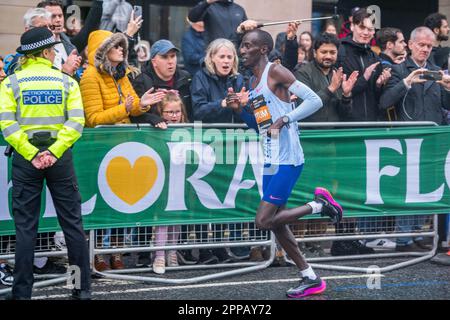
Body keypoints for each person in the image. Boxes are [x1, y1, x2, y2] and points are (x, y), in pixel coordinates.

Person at [234, 29, 343, 298]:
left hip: (288, 159)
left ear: (263, 49)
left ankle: (319, 205)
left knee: (263, 221)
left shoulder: (277, 72)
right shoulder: (253, 79)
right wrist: (238, 109)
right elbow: (260, 126)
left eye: (248, 46)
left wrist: (287, 119)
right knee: (277, 224)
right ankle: (310, 277)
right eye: (241, 46)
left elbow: (315, 100)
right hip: (270, 159)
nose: (242, 50)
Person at [0, 27, 90, 300]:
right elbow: (76, 123)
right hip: (60, 158)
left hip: (26, 161)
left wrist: (32, 153)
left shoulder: (11, 83)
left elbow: (7, 124)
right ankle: (79, 289)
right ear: (47, 52)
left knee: (26, 229)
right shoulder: (66, 82)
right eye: (53, 49)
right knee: (72, 226)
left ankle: (22, 293)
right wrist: (53, 151)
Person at [380, 27, 450, 251]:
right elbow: (385, 102)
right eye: (421, 44)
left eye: (429, 46)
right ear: (410, 45)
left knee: (430, 189)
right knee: (408, 190)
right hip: (407, 141)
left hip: (433, 140)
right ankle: (403, 239)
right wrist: (407, 81)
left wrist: (449, 89)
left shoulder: (437, 71)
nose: (425, 50)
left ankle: (417, 232)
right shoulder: (398, 70)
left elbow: (446, 106)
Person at [151, 93, 188, 274]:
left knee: (177, 217)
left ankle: (172, 252)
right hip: (162, 177)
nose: (174, 116)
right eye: (169, 112)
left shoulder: (186, 129)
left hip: (180, 177)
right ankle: (159, 255)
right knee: (163, 219)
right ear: (161, 112)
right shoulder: (157, 130)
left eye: (177, 112)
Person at [337, 8, 391, 121]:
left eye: (370, 29)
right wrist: (365, 78)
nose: (366, 33)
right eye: (362, 27)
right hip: (347, 124)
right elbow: (338, 92)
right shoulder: (339, 51)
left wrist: (379, 84)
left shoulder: (374, 57)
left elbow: (377, 98)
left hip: (371, 124)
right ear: (352, 26)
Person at [131, 39, 193, 121]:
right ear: (154, 62)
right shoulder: (142, 81)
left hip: (183, 131)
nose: (170, 61)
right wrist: (151, 119)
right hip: (153, 132)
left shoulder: (185, 77)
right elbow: (133, 114)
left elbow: (192, 110)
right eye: (164, 57)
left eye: (173, 56)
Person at [191, 38, 245, 123]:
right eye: (222, 57)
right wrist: (222, 104)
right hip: (209, 134)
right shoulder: (200, 77)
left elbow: (245, 119)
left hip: (234, 133)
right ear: (212, 57)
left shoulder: (238, 79)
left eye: (229, 57)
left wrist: (239, 108)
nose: (226, 61)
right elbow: (198, 112)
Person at [188, 0, 256, 48]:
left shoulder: (239, 9)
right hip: (214, 53)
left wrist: (250, 27)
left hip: (235, 54)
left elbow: (246, 34)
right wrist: (207, 2)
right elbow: (192, 17)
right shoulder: (209, 6)